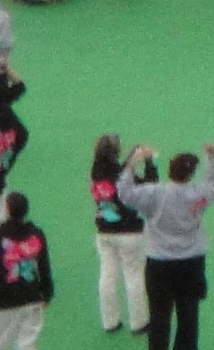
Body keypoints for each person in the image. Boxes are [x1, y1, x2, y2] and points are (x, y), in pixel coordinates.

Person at [117, 144, 214, 350]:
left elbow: (125, 193)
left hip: (159, 264)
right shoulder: (198, 194)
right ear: (190, 175)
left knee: (159, 316)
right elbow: (213, 184)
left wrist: (132, 163)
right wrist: (211, 158)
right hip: (191, 264)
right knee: (189, 316)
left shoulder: (154, 193)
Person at [0, 188, 54, 349]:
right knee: (28, 344)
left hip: (6, 301)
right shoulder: (36, 234)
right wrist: (47, 293)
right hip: (32, 297)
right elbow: (44, 265)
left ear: (7, 210)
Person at [90, 133, 153, 336]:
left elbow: (118, 172)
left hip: (104, 230)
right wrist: (147, 161)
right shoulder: (122, 174)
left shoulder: (96, 171)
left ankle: (110, 321)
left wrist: (130, 159)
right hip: (129, 231)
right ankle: (138, 322)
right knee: (134, 276)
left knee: (107, 275)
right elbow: (148, 185)